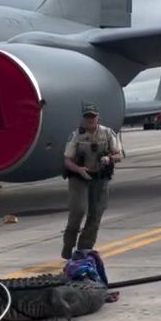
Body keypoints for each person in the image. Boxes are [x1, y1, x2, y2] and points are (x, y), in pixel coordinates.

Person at [61, 103, 123, 260]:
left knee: (96, 213)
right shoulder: (76, 135)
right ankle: (68, 245)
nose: (90, 119)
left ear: (98, 118)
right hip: (79, 177)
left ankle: (84, 249)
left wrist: (109, 158)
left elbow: (119, 155)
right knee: (78, 211)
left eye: (92, 116)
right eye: (87, 117)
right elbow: (67, 160)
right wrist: (78, 169)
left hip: (99, 177)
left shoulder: (108, 133)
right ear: (83, 119)